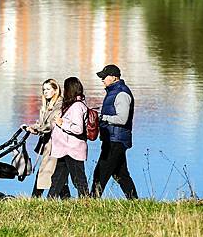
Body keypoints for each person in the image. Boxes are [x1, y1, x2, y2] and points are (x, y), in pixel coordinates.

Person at [91, 64, 138, 199]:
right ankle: (134, 200)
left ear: (114, 77)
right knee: (120, 174)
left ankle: (91, 201)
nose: (102, 80)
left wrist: (102, 117)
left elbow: (122, 119)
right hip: (112, 139)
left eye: (104, 77)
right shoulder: (113, 92)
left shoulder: (122, 94)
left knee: (101, 172)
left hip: (116, 140)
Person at [47, 77, 89, 198]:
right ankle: (50, 201)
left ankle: (86, 201)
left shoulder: (77, 106)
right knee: (57, 178)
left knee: (78, 179)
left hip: (73, 149)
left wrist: (62, 123)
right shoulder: (70, 105)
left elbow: (78, 128)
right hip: (64, 149)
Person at [24, 79, 64, 197]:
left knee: (46, 171)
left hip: (54, 143)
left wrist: (38, 129)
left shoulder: (58, 105)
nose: (45, 92)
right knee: (51, 172)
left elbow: (51, 124)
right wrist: (33, 127)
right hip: (48, 143)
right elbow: (43, 124)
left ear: (55, 90)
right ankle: (63, 196)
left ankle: (36, 197)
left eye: (48, 89)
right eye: (44, 90)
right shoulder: (47, 105)